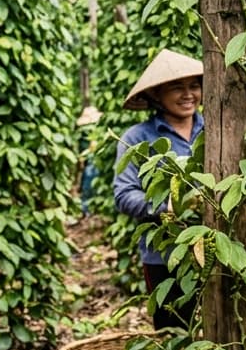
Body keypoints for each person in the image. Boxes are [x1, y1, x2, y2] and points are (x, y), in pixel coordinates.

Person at [114, 49, 204, 331]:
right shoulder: (137, 138)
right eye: (176, 87)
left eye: (194, 85)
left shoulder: (217, 129)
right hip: (164, 255)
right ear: (156, 95)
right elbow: (124, 194)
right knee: (174, 331)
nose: (188, 94)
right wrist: (168, 206)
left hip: (216, 248)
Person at [76, 105, 103, 217]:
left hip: (91, 160)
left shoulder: (86, 131)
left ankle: (87, 209)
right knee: (88, 184)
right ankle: (86, 209)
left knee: (88, 184)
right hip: (91, 160)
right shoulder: (85, 132)